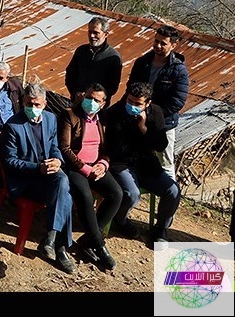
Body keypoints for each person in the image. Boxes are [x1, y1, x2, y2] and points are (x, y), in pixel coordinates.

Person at [1, 82, 76, 274]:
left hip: (47, 174)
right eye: (29, 104)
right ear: (22, 102)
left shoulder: (51, 119)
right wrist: (38, 168)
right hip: (26, 180)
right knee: (64, 194)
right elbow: (10, 161)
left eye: (37, 105)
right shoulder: (13, 126)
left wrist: (58, 160)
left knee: (62, 181)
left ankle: (51, 240)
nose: (33, 109)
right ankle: (59, 247)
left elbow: (54, 146)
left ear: (45, 104)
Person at [106, 81, 181, 247]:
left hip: (146, 163)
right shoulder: (115, 113)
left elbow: (161, 144)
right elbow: (116, 147)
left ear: (148, 103)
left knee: (172, 190)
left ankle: (161, 228)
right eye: (130, 101)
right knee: (132, 194)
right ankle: (120, 220)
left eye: (137, 103)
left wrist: (144, 128)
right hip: (122, 163)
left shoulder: (156, 113)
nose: (132, 105)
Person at [57, 83, 122, 271]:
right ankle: (99, 245)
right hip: (75, 167)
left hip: (97, 166)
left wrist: (103, 164)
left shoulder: (103, 119)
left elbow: (107, 149)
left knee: (116, 194)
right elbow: (65, 149)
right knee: (84, 196)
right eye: (88, 97)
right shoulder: (69, 115)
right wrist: (85, 169)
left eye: (96, 100)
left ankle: (87, 240)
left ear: (103, 104)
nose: (91, 102)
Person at [125, 25, 189, 181]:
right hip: (136, 118)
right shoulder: (142, 62)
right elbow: (131, 87)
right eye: (156, 41)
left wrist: (152, 115)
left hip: (164, 125)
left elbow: (177, 102)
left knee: (165, 163)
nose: (158, 46)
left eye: (163, 43)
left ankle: (170, 196)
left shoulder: (179, 71)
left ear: (173, 45)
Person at [64, 17, 123, 104]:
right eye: (90, 32)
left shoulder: (113, 57)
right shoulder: (81, 51)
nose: (92, 36)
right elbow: (70, 75)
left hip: (98, 106)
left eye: (96, 33)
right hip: (78, 102)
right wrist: (75, 93)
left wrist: (94, 98)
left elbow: (112, 87)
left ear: (106, 34)